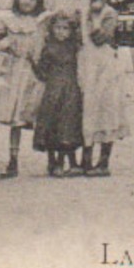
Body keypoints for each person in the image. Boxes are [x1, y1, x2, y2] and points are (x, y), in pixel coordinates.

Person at [0, 0, 47, 180]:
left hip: (36, 72)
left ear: (38, 2)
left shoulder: (41, 23)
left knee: (41, 112)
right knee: (16, 117)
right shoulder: (8, 22)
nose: (27, 1)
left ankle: (54, 158)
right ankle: (13, 159)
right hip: (16, 72)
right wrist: (1, 46)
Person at [77, 0, 129, 177]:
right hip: (86, 64)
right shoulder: (81, 11)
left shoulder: (109, 13)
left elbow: (100, 38)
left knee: (106, 108)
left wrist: (92, 16)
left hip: (105, 67)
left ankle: (104, 161)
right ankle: (86, 160)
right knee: (87, 109)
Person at [30, 11, 84, 178]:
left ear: (71, 31)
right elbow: (42, 73)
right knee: (51, 125)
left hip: (70, 92)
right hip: (52, 92)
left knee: (67, 126)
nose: (61, 32)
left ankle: (67, 162)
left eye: (65, 28)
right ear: (51, 29)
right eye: (58, 28)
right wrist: (32, 63)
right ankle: (53, 162)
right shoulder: (49, 48)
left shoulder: (74, 48)